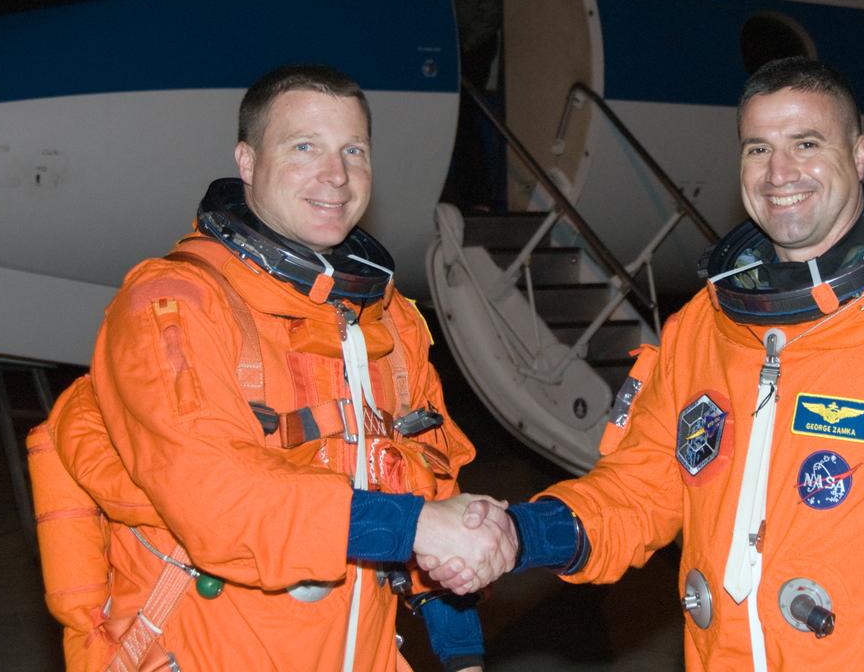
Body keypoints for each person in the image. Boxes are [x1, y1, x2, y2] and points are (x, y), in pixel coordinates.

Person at [425, 58, 864, 671]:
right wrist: (520, 533)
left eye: (806, 143)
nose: (779, 172)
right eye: (757, 148)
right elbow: (639, 488)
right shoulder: (705, 328)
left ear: (857, 154)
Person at [28, 64, 513, 672]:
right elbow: (216, 497)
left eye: (353, 150)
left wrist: (461, 650)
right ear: (248, 161)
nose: (335, 176)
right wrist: (414, 527)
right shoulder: (172, 306)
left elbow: (428, 483)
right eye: (304, 146)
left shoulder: (389, 321)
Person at [433, 0, 503, 210]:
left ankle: (479, 197)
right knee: (448, 121)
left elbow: (491, 9)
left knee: (464, 123)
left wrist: (468, 45)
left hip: (472, 47)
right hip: (451, 46)